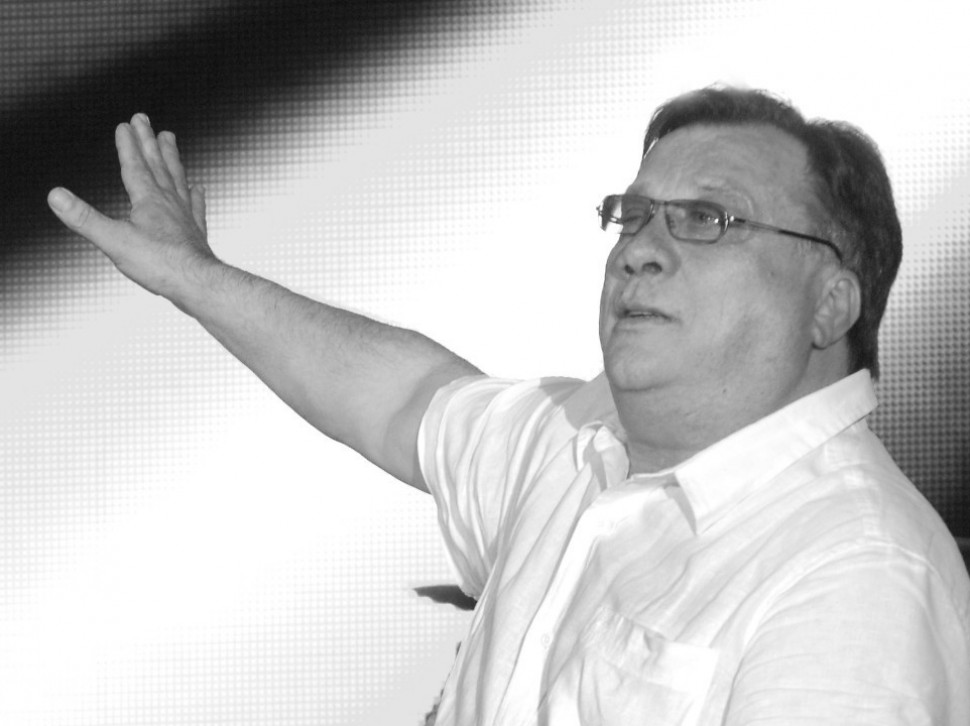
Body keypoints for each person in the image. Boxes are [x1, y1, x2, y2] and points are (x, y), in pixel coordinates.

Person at [48, 86, 970, 725]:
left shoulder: (859, 577)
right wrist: (197, 278)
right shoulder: (581, 445)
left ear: (830, 303)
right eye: (634, 215)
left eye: (707, 219)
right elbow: (400, 395)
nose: (639, 250)